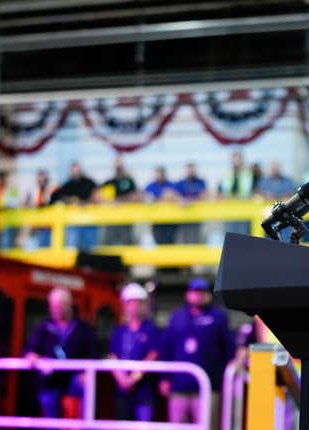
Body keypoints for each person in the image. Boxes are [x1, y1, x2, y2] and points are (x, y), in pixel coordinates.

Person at [159, 278, 234, 428]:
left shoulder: (218, 317)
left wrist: (226, 380)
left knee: (207, 425)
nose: (198, 296)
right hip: (179, 385)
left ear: (209, 294)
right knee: (178, 425)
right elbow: (166, 348)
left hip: (208, 385)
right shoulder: (177, 317)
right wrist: (165, 378)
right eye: (195, 292)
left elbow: (228, 349)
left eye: (202, 292)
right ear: (188, 294)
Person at [24, 287, 97, 419]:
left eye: (59, 305)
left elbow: (93, 354)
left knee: (83, 390)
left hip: (75, 379)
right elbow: (29, 351)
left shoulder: (84, 329)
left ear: (69, 305)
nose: (55, 309)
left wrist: (86, 374)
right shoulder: (43, 328)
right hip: (51, 380)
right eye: (52, 305)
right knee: (48, 399)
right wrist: (36, 360)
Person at [109, 283, 161, 422]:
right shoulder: (119, 331)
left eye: (138, 302)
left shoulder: (151, 329)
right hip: (122, 391)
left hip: (144, 391)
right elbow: (113, 356)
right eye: (130, 303)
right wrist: (122, 379)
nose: (134, 306)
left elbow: (153, 355)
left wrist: (133, 378)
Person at [50, 162, 99, 250]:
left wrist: (86, 203)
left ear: (80, 169)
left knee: (91, 250)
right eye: (73, 170)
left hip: (89, 221)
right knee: (71, 249)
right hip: (73, 222)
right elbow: (57, 197)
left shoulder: (89, 182)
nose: (75, 172)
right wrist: (71, 200)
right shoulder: (67, 185)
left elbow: (97, 196)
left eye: (77, 169)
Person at [102, 157, 139, 245]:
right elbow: (105, 199)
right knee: (109, 244)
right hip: (112, 219)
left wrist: (120, 201)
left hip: (127, 218)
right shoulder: (109, 182)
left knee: (128, 242)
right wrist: (115, 202)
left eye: (119, 167)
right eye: (116, 167)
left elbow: (135, 196)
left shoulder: (129, 181)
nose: (118, 169)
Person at [144, 166, 179, 244]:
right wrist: (163, 199)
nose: (158, 176)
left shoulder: (171, 185)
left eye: (160, 174)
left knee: (171, 242)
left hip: (170, 220)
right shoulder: (150, 186)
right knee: (158, 242)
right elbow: (146, 199)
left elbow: (177, 197)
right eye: (157, 174)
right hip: (157, 220)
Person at [174, 162, 208, 243]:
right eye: (189, 170)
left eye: (192, 170)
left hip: (197, 217)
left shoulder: (200, 182)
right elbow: (171, 193)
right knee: (184, 240)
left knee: (197, 239)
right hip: (183, 217)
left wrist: (190, 201)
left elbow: (205, 194)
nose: (190, 172)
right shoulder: (180, 183)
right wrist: (180, 199)